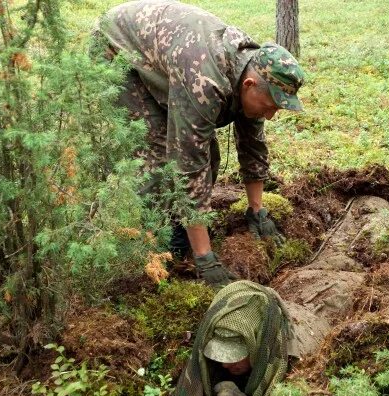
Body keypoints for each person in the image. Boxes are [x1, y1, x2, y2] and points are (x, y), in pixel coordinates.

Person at [94, 0, 305, 287]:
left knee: (208, 154)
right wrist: (205, 257)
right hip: (118, 48)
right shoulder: (206, 82)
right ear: (249, 86)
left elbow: (253, 144)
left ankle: (184, 226)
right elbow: (189, 165)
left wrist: (257, 209)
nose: (271, 115)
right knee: (156, 154)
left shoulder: (253, 70)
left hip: (169, 56)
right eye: (270, 106)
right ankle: (157, 245)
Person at [169, 280, 292, 396]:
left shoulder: (287, 365)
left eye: (235, 354)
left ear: (258, 346)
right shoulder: (208, 357)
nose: (224, 364)